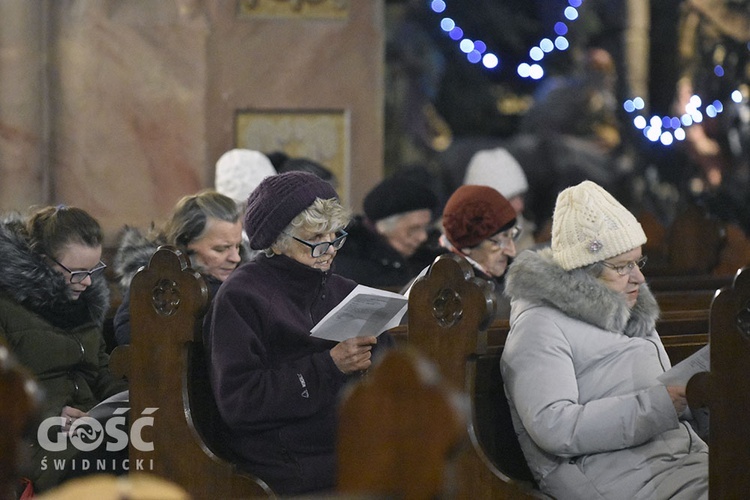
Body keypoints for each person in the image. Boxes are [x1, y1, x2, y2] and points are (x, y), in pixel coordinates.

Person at [500, 181, 708, 499]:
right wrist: (663, 404)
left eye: (638, 262)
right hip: (629, 482)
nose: (638, 277)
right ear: (585, 270)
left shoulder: (629, 310)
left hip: (687, 465)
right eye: (623, 266)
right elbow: (554, 425)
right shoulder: (540, 326)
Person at [203, 171, 393, 495]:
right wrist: (330, 366)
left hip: (351, 451)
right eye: (317, 240)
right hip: (287, 466)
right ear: (279, 241)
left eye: (335, 236)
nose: (331, 250)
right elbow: (240, 403)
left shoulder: (343, 291)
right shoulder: (242, 296)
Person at [0, 205, 128, 492]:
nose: (87, 282)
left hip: (90, 424)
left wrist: (130, 398)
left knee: (156, 447)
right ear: (43, 262)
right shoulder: (6, 306)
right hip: (31, 440)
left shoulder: (85, 303)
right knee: (106, 467)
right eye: (77, 272)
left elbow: (100, 368)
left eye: (94, 270)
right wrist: (53, 417)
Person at [113, 189, 244, 345]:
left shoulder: (246, 282)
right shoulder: (154, 282)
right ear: (186, 243)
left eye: (238, 247)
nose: (236, 258)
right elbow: (128, 332)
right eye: (221, 249)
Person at [333, 175, 438, 289]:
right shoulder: (348, 263)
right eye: (413, 229)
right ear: (384, 227)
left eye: (426, 227)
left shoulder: (428, 258)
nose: (423, 237)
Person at [438, 184, 520, 317]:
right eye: (499, 241)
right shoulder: (434, 290)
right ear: (466, 245)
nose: (512, 251)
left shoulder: (519, 280)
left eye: (513, 235)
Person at [463, 147, 537, 251]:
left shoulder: (525, 236)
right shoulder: (447, 247)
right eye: (509, 199)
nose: (520, 206)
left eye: (520, 195)